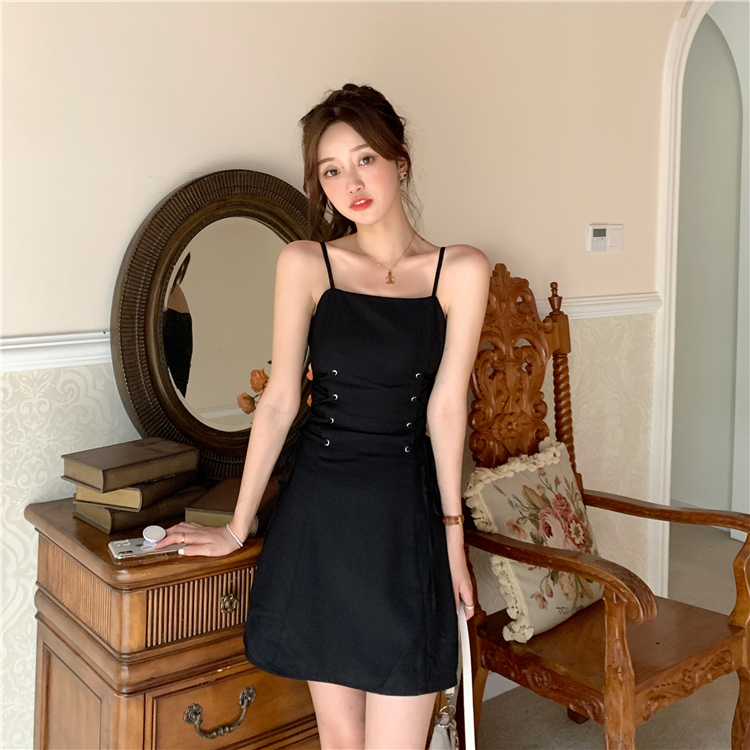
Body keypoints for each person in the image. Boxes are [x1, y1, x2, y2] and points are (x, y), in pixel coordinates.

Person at [154, 83, 491, 750]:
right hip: (320, 520)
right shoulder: (307, 263)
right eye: (331, 171)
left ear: (400, 159)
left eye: (365, 160)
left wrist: (454, 541)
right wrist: (237, 526)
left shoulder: (460, 270)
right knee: (340, 739)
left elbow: (447, 407)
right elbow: (281, 400)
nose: (351, 184)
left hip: (403, 524)